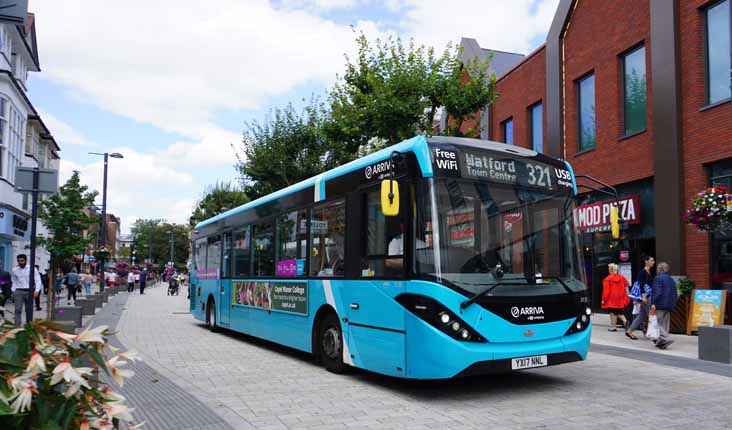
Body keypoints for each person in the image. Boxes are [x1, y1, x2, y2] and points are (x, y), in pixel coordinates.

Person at [626, 254, 654, 340]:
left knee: (641, 316)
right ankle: (655, 335)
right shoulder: (643, 272)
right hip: (646, 297)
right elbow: (641, 285)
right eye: (651, 260)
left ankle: (630, 331)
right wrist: (644, 297)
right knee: (651, 316)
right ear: (646, 262)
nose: (653, 262)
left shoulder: (648, 272)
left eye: (653, 261)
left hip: (646, 296)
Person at [651, 262, 678, 349]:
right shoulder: (671, 279)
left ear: (659, 269)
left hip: (660, 304)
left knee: (656, 323)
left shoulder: (657, 278)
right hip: (669, 304)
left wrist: (653, 303)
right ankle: (662, 343)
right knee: (665, 324)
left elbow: (657, 292)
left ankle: (666, 338)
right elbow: (675, 293)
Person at [10, 254, 42, 325]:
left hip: (29, 291)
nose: (20, 262)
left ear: (26, 260)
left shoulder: (32, 269)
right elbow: (14, 281)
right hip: (18, 291)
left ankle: (29, 325)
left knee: (28, 310)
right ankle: (17, 326)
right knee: (17, 309)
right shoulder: (14, 270)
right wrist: (13, 290)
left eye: (22, 261)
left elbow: (38, 280)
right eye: (18, 261)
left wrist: (37, 290)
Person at [601, 263, 630, 331]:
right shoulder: (622, 277)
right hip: (620, 298)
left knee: (614, 312)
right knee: (615, 311)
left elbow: (606, 291)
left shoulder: (607, 279)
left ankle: (624, 321)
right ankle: (614, 326)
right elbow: (627, 284)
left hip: (611, 299)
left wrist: (603, 299)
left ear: (610, 270)